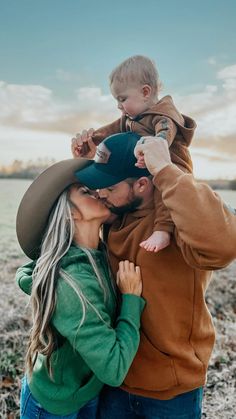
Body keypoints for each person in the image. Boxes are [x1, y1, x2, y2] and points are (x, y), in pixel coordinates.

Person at [74, 132, 236, 419]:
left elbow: (225, 245)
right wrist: (89, 160)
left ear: (141, 184)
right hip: (116, 379)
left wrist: (165, 169)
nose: (101, 194)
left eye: (108, 187)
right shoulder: (115, 213)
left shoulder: (178, 223)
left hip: (171, 391)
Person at [15, 158, 146, 418]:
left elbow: (32, 271)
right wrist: (131, 299)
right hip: (52, 404)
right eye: (86, 192)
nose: (98, 192)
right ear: (71, 213)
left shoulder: (98, 256)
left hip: (86, 392)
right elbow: (114, 368)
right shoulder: (71, 285)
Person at [71, 55, 196, 253]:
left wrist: (158, 145)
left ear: (145, 92)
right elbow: (111, 129)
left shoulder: (162, 116)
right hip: (148, 162)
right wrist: (92, 138)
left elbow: (165, 133)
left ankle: (163, 230)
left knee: (165, 191)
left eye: (122, 99)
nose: (119, 106)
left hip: (172, 163)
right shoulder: (131, 117)